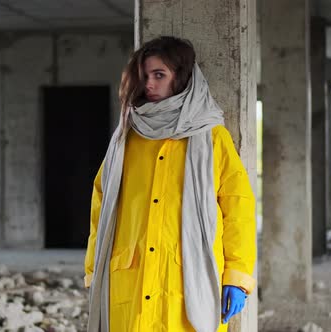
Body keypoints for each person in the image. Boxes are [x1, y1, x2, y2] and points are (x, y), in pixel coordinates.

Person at [84, 36, 256, 332]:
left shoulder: (212, 138)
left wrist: (237, 276)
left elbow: (238, 207)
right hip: (131, 280)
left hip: (188, 282)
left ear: (182, 79)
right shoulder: (126, 139)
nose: (149, 84)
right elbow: (101, 208)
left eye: (159, 75)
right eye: (145, 76)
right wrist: (93, 271)